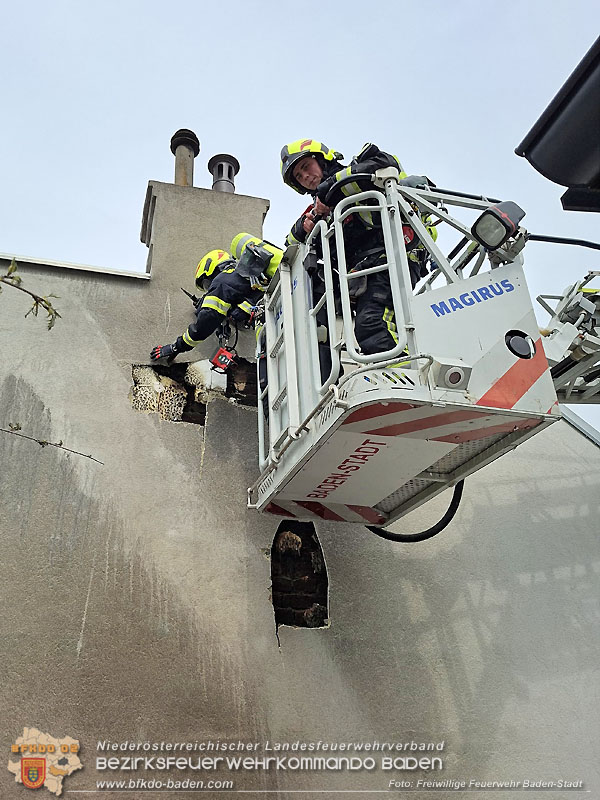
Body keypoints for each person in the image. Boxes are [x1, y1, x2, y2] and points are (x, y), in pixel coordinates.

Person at [280, 139, 437, 356]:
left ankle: (402, 375)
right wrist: (305, 225)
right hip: (366, 270)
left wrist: (330, 191)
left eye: (306, 166)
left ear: (322, 160)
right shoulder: (318, 209)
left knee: (372, 323)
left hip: (395, 254)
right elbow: (289, 246)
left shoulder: (353, 173)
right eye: (298, 176)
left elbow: (386, 163)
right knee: (367, 326)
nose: (305, 176)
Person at [150, 235, 282, 363]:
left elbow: (209, 317)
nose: (210, 290)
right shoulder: (248, 278)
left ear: (213, 268)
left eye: (207, 283)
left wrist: (176, 347)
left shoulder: (223, 280)